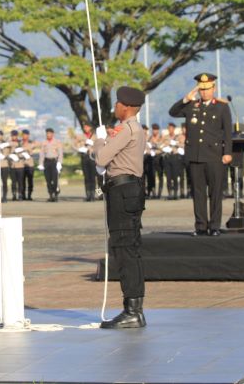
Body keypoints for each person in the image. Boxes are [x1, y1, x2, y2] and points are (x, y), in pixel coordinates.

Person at [93, 86, 147, 329]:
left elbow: (101, 159)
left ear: (125, 107)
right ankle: (133, 308)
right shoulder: (134, 129)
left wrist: (100, 139)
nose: (114, 107)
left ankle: (132, 311)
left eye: (117, 103)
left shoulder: (127, 129)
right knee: (129, 248)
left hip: (123, 191)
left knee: (124, 248)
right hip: (129, 190)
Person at [169, 73, 232, 236]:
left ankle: (215, 226)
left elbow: (227, 133)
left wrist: (227, 153)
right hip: (195, 156)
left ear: (214, 88)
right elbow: (173, 112)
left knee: (216, 192)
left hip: (214, 156)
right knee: (198, 193)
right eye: (201, 89)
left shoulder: (221, 107)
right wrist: (186, 98)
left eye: (207, 89)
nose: (204, 92)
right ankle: (201, 226)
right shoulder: (191, 105)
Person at [160, 123, 183, 200]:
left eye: (171, 128)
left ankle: (176, 193)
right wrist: (164, 145)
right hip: (167, 157)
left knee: (175, 176)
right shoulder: (165, 137)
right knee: (168, 177)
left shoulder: (178, 137)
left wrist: (175, 143)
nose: (170, 129)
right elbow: (160, 146)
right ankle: (170, 193)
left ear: (174, 128)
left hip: (175, 157)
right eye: (169, 128)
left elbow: (183, 145)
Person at [38, 128, 63, 202]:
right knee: (48, 180)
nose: (48, 135)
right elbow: (41, 154)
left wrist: (59, 163)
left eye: (49, 133)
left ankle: (55, 193)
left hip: (54, 161)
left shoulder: (57, 142)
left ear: (52, 134)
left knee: (55, 179)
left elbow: (60, 153)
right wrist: (41, 164)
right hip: (47, 162)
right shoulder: (44, 142)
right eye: (47, 133)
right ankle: (50, 194)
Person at [75, 122, 98, 202]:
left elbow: (100, 146)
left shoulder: (95, 136)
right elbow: (73, 144)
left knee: (92, 177)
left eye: (87, 126)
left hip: (92, 157)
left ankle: (93, 194)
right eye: (84, 127)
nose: (85, 128)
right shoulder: (80, 136)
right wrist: (79, 148)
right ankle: (88, 194)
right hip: (84, 157)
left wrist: (93, 147)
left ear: (90, 127)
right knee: (86, 177)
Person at [147, 124, 164, 198]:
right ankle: (153, 192)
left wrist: (157, 147)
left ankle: (159, 193)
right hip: (152, 158)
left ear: (158, 130)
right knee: (152, 176)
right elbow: (147, 147)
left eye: (156, 129)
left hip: (159, 158)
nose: (155, 131)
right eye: (154, 129)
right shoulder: (149, 138)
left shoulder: (161, 137)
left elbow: (163, 147)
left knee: (160, 175)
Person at [19, 130, 36, 200]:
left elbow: (35, 145)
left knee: (30, 181)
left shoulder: (31, 142)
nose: (24, 136)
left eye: (26, 135)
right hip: (22, 164)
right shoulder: (20, 143)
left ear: (28, 135)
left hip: (30, 164)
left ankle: (29, 195)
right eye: (23, 135)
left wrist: (23, 148)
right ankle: (23, 195)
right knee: (22, 181)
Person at [9, 130, 25, 201]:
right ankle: (14, 194)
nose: (14, 137)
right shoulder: (8, 143)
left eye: (15, 135)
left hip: (20, 165)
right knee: (13, 181)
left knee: (20, 181)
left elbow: (24, 153)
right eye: (12, 135)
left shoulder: (20, 143)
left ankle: (20, 195)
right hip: (12, 165)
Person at [0, 131, 12, 203]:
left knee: (4, 182)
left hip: (4, 165)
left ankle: (4, 197)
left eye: (0, 135)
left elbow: (10, 151)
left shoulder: (6, 144)